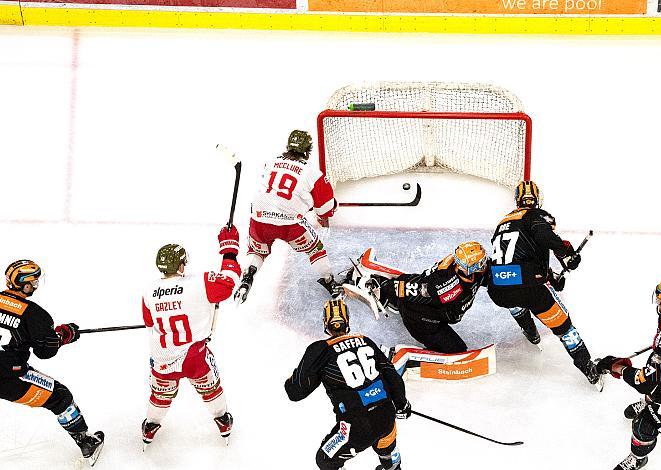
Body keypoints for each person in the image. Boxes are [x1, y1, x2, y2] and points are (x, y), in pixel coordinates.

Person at [486, 181, 602, 389]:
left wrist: (549, 275)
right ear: (537, 200)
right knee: (564, 328)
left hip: (497, 290)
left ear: (517, 200)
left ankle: (530, 332)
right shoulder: (536, 215)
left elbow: (516, 260)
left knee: (512, 295)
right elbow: (543, 236)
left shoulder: (503, 222)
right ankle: (588, 369)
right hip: (530, 290)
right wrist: (567, 253)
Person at [140, 226, 241, 448]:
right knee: (210, 389)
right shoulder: (199, 282)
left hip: (163, 357)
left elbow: (149, 322)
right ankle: (223, 420)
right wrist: (229, 249)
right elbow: (229, 281)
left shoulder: (149, 291)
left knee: (161, 395)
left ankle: (150, 425)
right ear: (181, 264)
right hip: (194, 356)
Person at [0, 260, 104, 465]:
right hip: (10, 377)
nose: (36, 285)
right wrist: (64, 335)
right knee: (60, 396)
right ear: (25, 285)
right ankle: (85, 442)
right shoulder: (34, 313)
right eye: (34, 282)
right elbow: (45, 351)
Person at [285, 298, 409, 470]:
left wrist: (300, 375)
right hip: (386, 415)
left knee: (325, 460)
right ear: (347, 320)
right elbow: (391, 373)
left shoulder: (320, 350)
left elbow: (295, 392)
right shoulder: (365, 340)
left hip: (356, 426)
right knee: (386, 438)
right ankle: (392, 465)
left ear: (325, 322)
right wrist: (403, 403)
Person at [595, 279, 661, 470]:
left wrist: (617, 367)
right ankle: (650, 401)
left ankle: (638, 459)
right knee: (657, 383)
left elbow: (644, 381)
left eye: (660, 301)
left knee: (643, 426)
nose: (658, 305)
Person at [237, 130, 341, 303]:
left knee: (257, 250)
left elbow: (273, 193)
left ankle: (248, 277)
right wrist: (330, 208)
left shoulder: (271, 163)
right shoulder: (313, 173)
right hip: (290, 225)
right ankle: (330, 282)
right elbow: (325, 210)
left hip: (259, 219)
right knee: (315, 249)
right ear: (308, 150)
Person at [356, 242, 489, 354]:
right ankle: (395, 353)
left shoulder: (467, 270)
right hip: (420, 318)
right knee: (456, 351)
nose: (484, 265)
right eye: (480, 263)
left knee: (412, 287)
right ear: (470, 267)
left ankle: (391, 295)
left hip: (431, 304)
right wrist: (383, 290)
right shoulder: (448, 287)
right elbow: (419, 289)